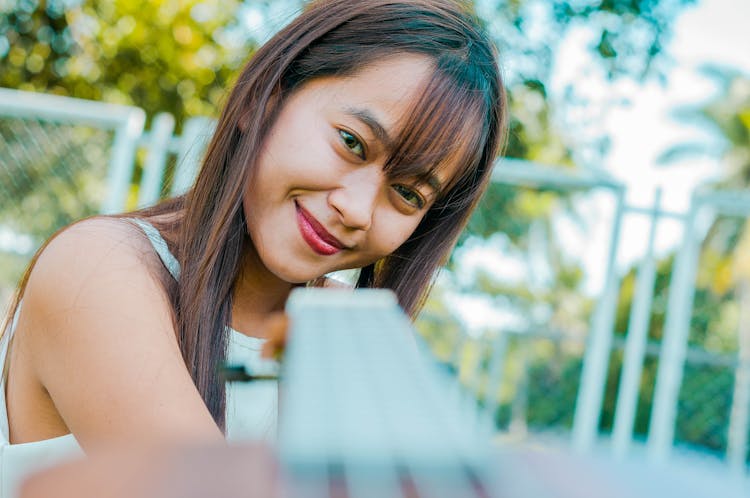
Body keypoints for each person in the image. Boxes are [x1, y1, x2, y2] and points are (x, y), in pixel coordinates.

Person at [0, 0, 506, 495]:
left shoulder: (338, 333)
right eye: (352, 142)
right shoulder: (98, 269)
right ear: (261, 101)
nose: (357, 210)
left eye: (407, 193)